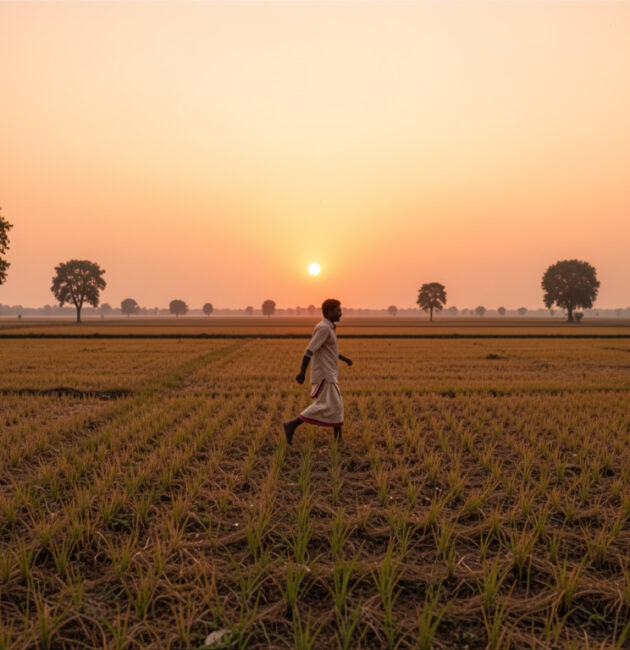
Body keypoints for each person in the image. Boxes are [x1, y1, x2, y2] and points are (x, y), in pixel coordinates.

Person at [283, 298, 352, 444]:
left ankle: (338, 440)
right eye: (338, 310)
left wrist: (345, 359)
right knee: (328, 405)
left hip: (330, 374)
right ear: (329, 312)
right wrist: (302, 372)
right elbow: (309, 350)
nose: (341, 313)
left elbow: (329, 351)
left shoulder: (329, 328)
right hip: (324, 375)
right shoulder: (323, 328)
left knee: (337, 406)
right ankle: (291, 424)